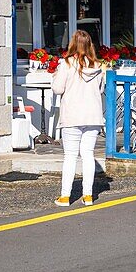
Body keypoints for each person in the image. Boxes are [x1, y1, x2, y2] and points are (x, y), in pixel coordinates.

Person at [50, 29, 106, 206]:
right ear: (90, 45)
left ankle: (65, 196)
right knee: (88, 154)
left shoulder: (66, 64)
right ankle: (88, 195)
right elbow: (101, 90)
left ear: (72, 44)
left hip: (72, 115)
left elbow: (58, 89)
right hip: (93, 116)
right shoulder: (98, 66)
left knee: (70, 156)